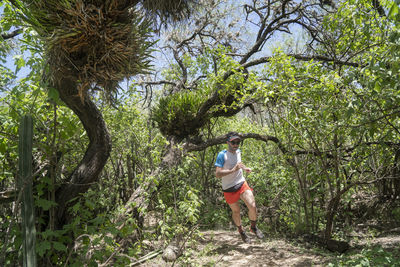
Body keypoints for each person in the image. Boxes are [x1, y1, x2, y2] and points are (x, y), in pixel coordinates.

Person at [215, 132, 264, 243]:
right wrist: (233, 170)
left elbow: (239, 164)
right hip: (228, 188)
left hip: (241, 183)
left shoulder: (238, 152)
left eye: (238, 142)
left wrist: (245, 168)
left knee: (252, 205)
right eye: (233, 142)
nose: (236, 144)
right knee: (236, 212)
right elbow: (217, 174)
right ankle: (241, 231)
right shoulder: (222, 155)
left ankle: (253, 227)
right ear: (228, 142)